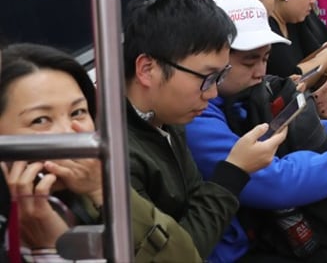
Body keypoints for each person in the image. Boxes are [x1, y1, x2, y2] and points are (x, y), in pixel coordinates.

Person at [185, 0, 327, 263]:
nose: (260, 71)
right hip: (233, 249)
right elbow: (274, 182)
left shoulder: (251, 92)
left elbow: (308, 125)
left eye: (265, 59)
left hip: (263, 227)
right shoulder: (197, 115)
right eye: (249, 62)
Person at [123, 0, 286, 261]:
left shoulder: (168, 119)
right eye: (207, 78)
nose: (212, 93)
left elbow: (195, 197)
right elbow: (177, 255)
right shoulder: (119, 158)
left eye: (219, 77)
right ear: (147, 69)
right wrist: (234, 171)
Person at [0, 43, 203, 262]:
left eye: (77, 112)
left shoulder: (93, 186)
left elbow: (185, 256)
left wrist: (103, 192)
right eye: (40, 120)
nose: (69, 132)